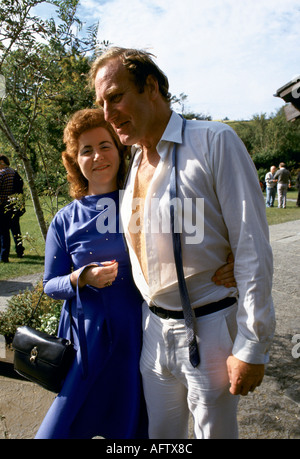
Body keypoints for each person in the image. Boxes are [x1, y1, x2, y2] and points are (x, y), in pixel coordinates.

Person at [90, 47, 275, 439]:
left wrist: (252, 346)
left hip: (208, 327)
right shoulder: (136, 161)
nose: (107, 114)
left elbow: (251, 246)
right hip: (153, 331)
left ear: (151, 87)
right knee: (161, 437)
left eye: (115, 97)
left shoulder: (213, 141)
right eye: (101, 103)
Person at [35, 109, 149, 439]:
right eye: (86, 150)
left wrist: (225, 261)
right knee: (63, 427)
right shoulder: (64, 220)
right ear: (75, 160)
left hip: (136, 334)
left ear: (119, 148)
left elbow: (182, 254)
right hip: (86, 339)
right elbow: (49, 285)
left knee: (130, 425)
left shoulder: (140, 206)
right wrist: (80, 277)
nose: (97, 156)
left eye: (105, 145)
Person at [0, 155, 25, 262]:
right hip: (14, 206)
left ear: (1, 163)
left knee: (3, 232)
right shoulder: (14, 172)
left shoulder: (1, 174)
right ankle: (20, 251)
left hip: (3, 206)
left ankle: (4, 256)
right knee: (16, 231)